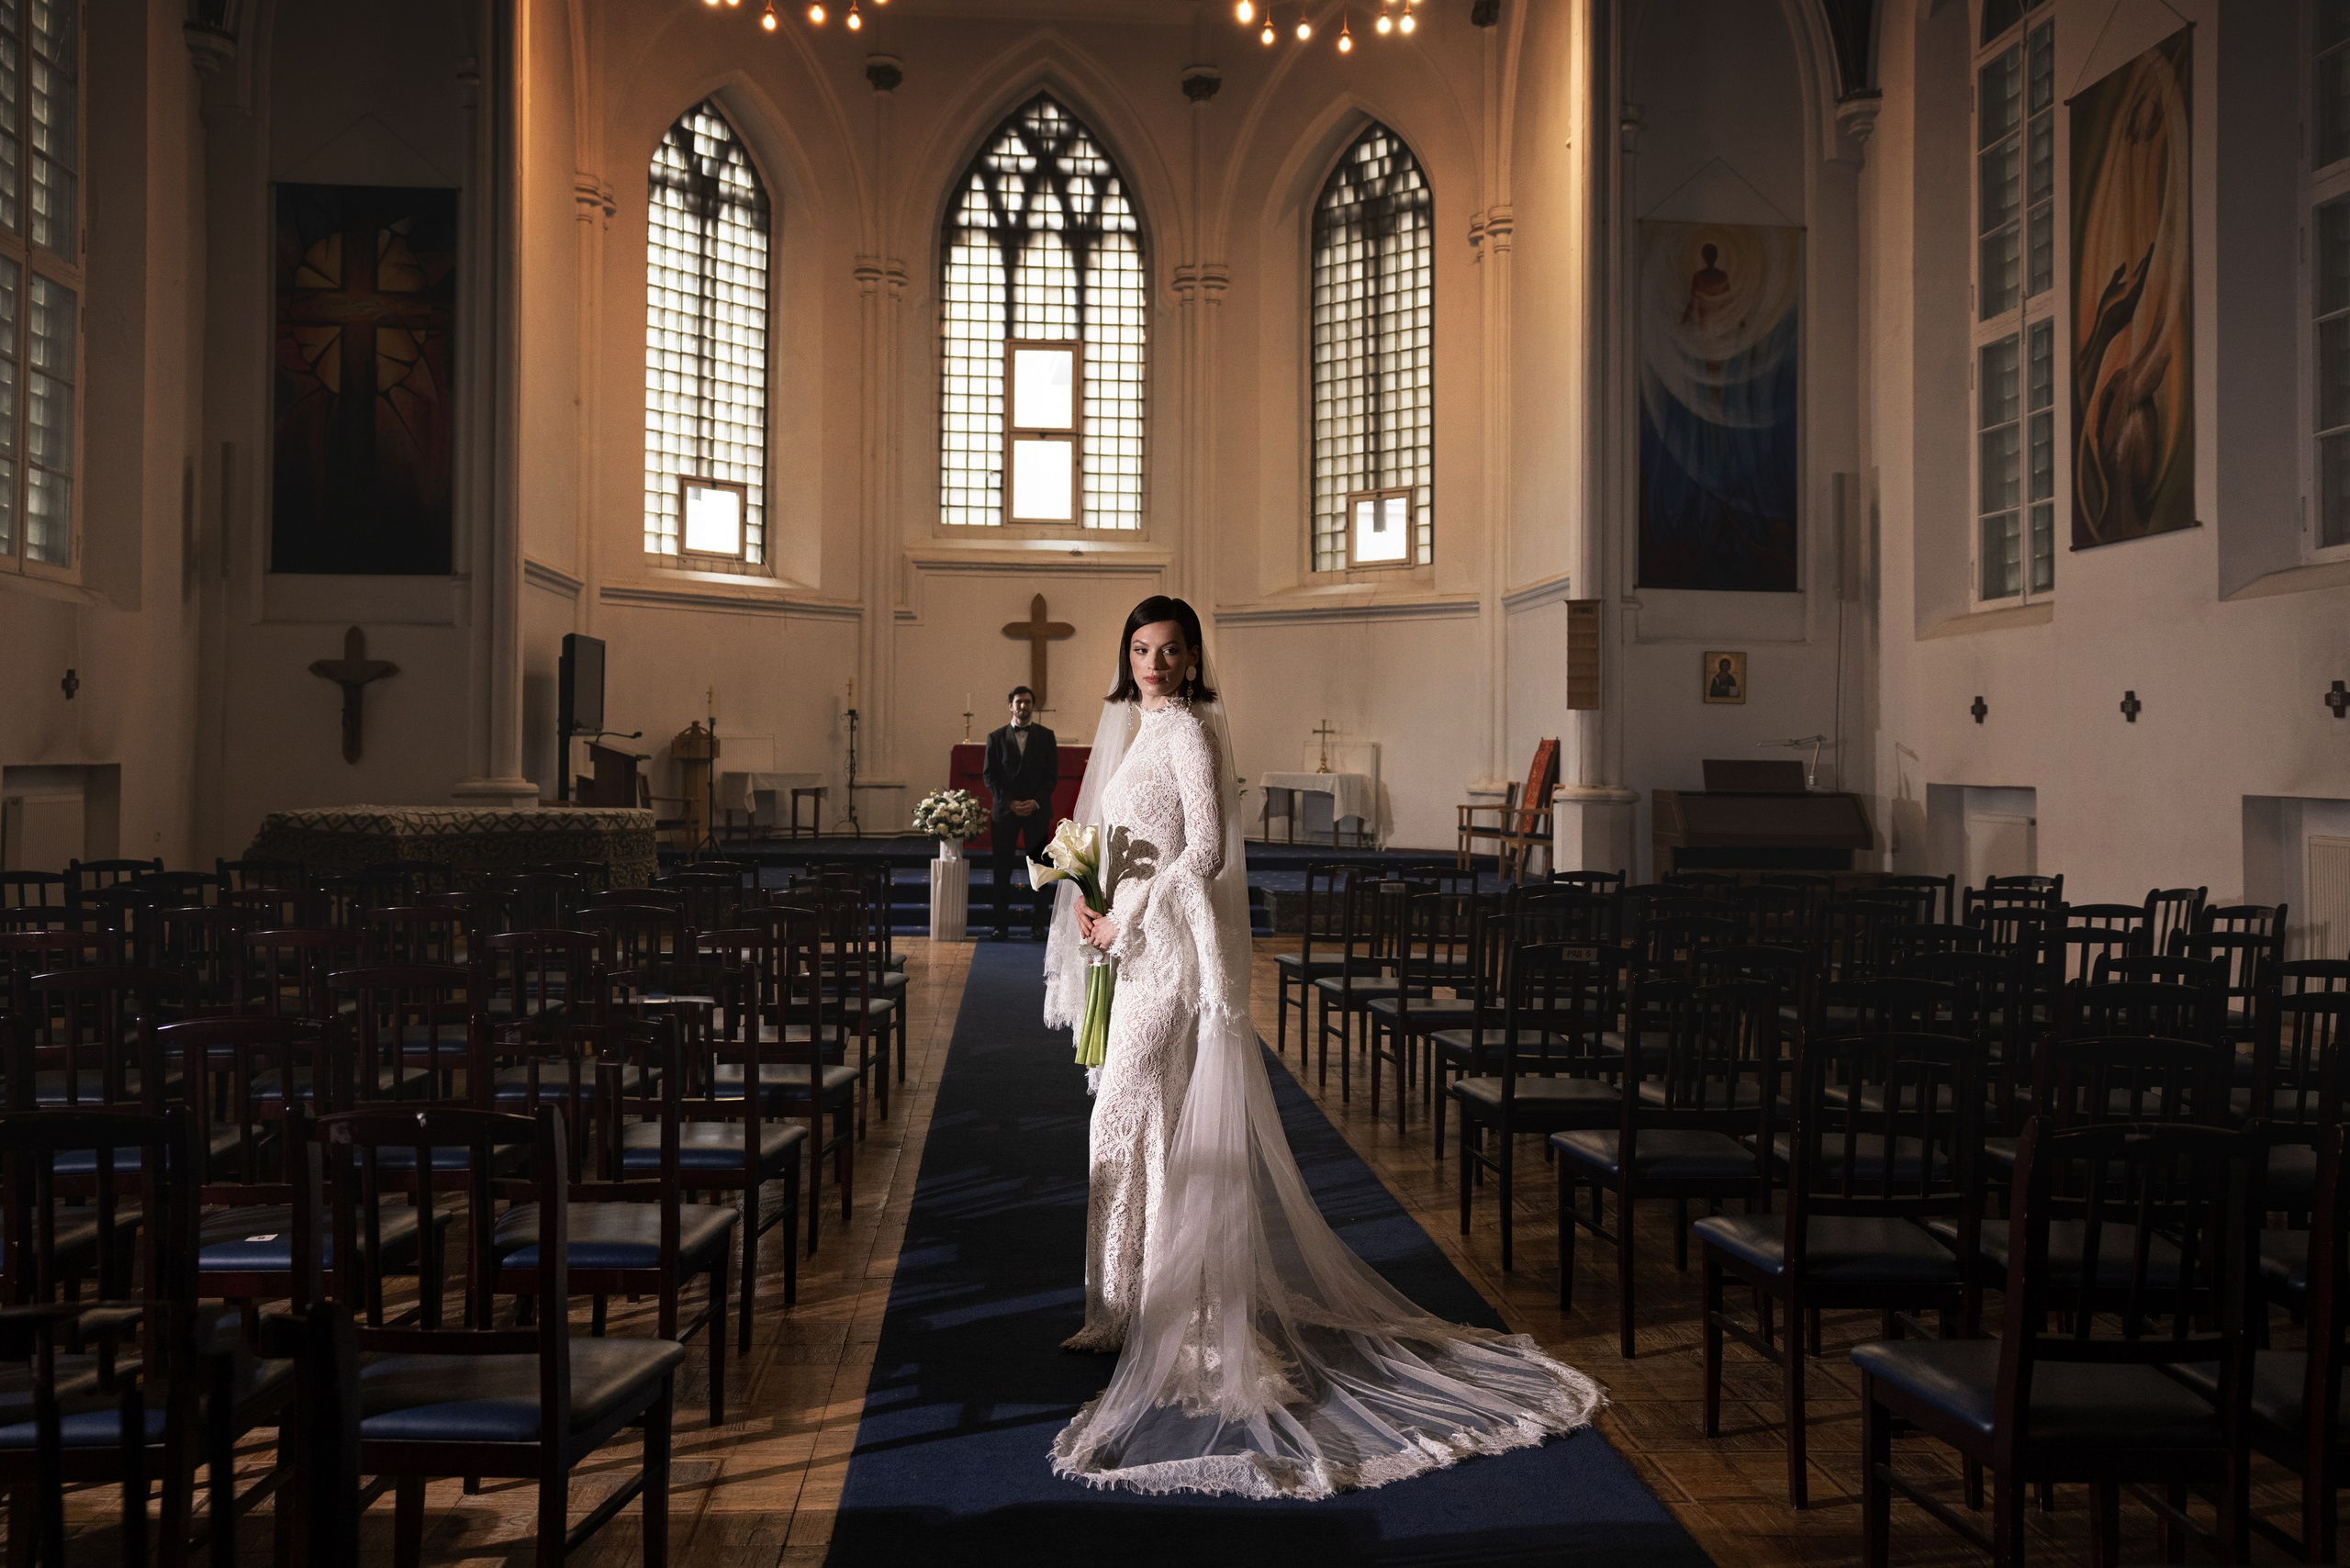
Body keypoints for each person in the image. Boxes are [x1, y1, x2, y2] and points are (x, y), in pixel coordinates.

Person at [1040, 595, 1602, 1499]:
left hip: (1174, 958)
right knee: (1141, 1123)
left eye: (1170, 649)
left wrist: (1134, 910)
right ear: (1126, 654)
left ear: (1189, 660)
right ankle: (1121, 1307)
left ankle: (1162, 1312)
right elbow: (1131, 844)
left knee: (1123, 1117)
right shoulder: (1135, 728)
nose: (1154, 661)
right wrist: (1096, 898)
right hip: (1134, 949)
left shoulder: (1187, 731)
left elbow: (1208, 854)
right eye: (1141, 647)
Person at [983, 685, 1058, 940]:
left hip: (1036, 811)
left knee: (1040, 869)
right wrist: (1010, 802)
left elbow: (1051, 776)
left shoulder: (1047, 736)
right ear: (1010, 706)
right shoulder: (995, 737)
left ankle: (1038, 925)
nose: (1023, 707)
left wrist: (1035, 802)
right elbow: (989, 776)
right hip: (1005, 813)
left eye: (1027, 702)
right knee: (1001, 869)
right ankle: (1000, 926)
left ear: (1032, 706)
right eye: (1018, 702)